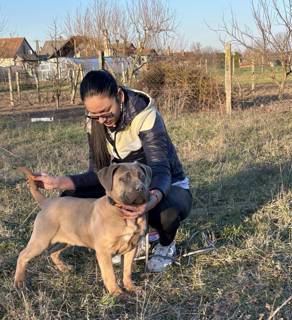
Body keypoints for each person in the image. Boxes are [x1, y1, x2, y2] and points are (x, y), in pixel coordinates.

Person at [33, 70, 192, 272]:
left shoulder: (145, 116)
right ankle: (122, 237)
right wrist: (59, 182)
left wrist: (151, 200)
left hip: (167, 185)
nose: (101, 120)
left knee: (163, 212)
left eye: (106, 112)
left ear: (119, 96)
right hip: (124, 186)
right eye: (94, 114)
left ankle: (164, 244)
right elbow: (97, 174)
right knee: (70, 197)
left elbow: (161, 170)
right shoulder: (96, 122)